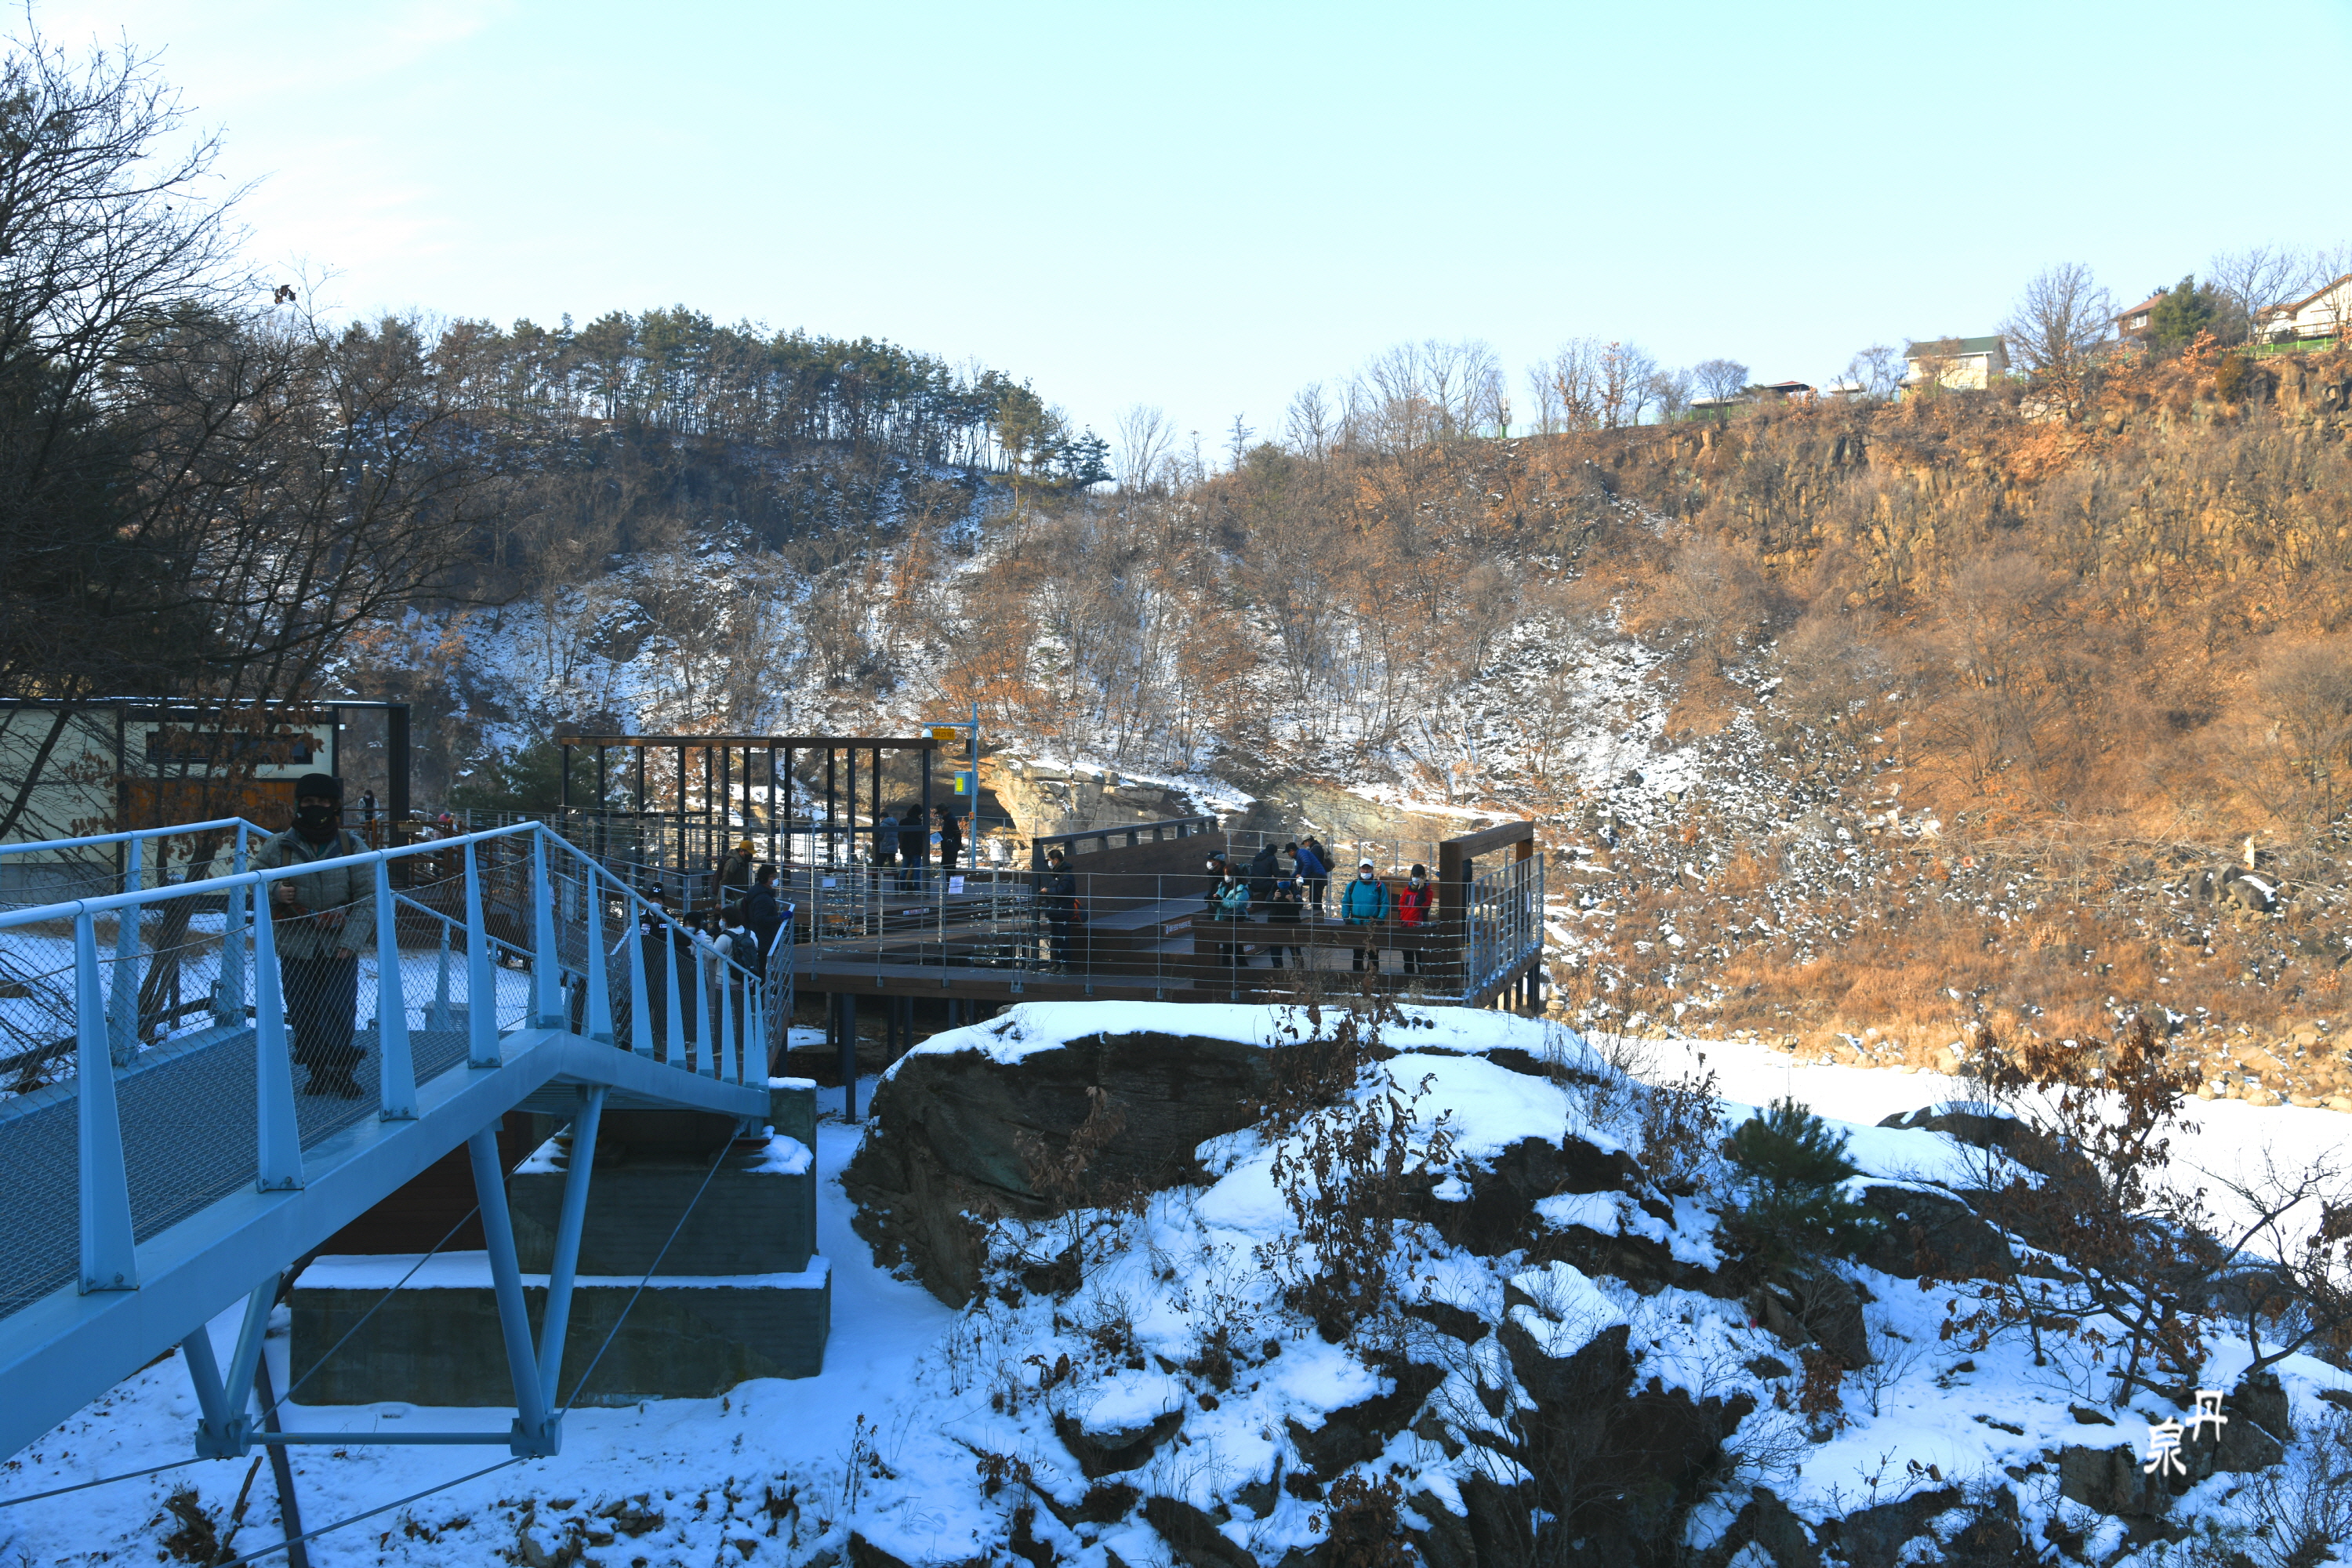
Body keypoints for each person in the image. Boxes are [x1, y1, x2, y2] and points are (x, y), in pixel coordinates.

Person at [259, 774, 374, 1098]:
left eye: (323, 802)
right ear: (299, 804)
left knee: (339, 1009)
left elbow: (369, 897)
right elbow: (249, 884)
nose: (317, 808)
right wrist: (274, 891)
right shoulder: (278, 846)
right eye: (309, 802)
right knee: (302, 1011)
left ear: (334, 806)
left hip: (339, 945)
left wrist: (351, 942)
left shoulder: (353, 846)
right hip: (296, 946)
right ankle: (318, 1072)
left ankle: (341, 1072)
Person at [1341, 858, 1390, 973]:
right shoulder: (1352, 886)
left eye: (1368, 868)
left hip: (1373, 925)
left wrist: (1381, 918)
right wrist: (1346, 917)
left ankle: (1373, 978)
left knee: (1373, 954)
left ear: (1372, 869)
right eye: (1364, 868)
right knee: (1358, 954)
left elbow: (1385, 903)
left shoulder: (1379, 886)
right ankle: (1356, 978)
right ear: (1360, 869)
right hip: (1356, 924)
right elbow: (1346, 902)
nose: (1366, 871)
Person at [1036, 846, 1081, 972]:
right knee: (1056, 939)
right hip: (1055, 911)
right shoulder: (1058, 874)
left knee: (1063, 939)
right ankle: (1057, 964)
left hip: (1063, 911)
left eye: (1050, 860)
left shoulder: (1066, 875)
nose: (1049, 863)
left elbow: (1061, 891)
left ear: (1056, 860)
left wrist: (1048, 891)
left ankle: (1065, 965)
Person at [739, 865, 783, 975]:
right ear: (764, 878)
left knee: (760, 967)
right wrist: (779, 918)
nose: (776, 879)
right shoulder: (763, 898)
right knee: (762, 969)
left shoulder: (757, 892)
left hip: (758, 936)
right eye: (773, 877)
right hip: (763, 939)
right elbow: (760, 919)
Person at [1208, 865, 1252, 967]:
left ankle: (1242, 969)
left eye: (1228, 874)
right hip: (1223, 920)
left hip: (1235, 921)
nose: (1226, 876)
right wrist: (1214, 900)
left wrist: (1221, 900)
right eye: (1225, 874)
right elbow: (1218, 904)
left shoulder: (1242, 889)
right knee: (1226, 948)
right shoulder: (1223, 886)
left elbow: (1235, 905)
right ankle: (1226, 969)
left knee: (1237, 948)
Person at [1396, 862, 1434, 976]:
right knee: (1407, 958)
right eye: (1414, 875)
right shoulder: (1407, 890)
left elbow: (1424, 905)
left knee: (1420, 958)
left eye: (1418, 875)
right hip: (1406, 927)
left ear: (1423, 877)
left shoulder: (1428, 892)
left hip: (1419, 928)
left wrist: (1421, 889)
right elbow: (1401, 904)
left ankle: (1421, 980)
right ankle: (1409, 980)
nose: (1415, 878)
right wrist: (1401, 918)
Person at [1264, 874, 1305, 968]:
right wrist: (1274, 898)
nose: (1283, 882)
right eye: (1281, 880)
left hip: (1292, 924)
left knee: (1295, 950)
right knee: (1275, 950)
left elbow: (1300, 905)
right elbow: (1267, 904)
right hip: (1275, 924)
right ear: (1277, 881)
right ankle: (1277, 970)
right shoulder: (1273, 891)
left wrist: (1292, 900)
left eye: (1285, 880)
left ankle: (1300, 970)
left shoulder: (1294, 891)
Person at [718, 837, 757, 918]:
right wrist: (720, 901)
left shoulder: (743, 862)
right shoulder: (732, 862)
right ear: (742, 851)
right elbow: (725, 881)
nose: (750, 855)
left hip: (740, 898)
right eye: (749, 853)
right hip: (734, 899)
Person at [1294, 838, 1331, 916]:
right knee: (1316, 898)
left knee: (1315, 899)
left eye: (1304, 843)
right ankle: (1317, 917)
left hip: (1317, 877)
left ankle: (1317, 918)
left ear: (1307, 842)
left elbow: (1310, 865)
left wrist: (1302, 875)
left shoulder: (1315, 849)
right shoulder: (1318, 847)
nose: (1305, 845)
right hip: (1320, 876)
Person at [899, 803, 928, 891]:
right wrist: (922, 849)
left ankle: (902, 887)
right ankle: (917, 888)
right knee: (916, 869)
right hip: (915, 850)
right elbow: (919, 839)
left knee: (904, 868)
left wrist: (901, 845)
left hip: (905, 849)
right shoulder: (918, 823)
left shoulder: (903, 822)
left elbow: (899, 836)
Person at [871, 811, 900, 888]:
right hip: (893, 848)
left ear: (882, 817)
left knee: (879, 864)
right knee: (892, 864)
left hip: (884, 847)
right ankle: (896, 884)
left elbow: (880, 836)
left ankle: (876, 883)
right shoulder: (896, 823)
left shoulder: (883, 824)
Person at [1247, 840, 1280, 905]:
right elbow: (1276, 874)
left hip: (1254, 884)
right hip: (1266, 885)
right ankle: (1272, 903)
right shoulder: (1272, 858)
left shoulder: (1257, 857)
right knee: (1279, 884)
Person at [935, 808, 963, 882]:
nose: (940, 815)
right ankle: (948, 884)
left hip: (950, 847)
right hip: (949, 847)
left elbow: (957, 833)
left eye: (940, 813)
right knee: (948, 866)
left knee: (949, 867)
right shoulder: (949, 819)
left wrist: (959, 844)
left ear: (944, 812)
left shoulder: (950, 820)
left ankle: (949, 884)